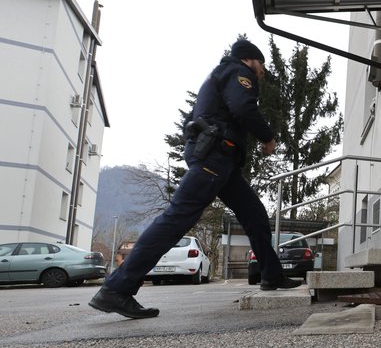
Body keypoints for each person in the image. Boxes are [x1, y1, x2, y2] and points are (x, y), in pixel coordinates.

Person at [89, 39, 301, 319]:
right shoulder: (237, 72)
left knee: (255, 214)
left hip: (220, 161)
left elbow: (195, 121)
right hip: (216, 158)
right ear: (251, 60)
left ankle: (271, 275)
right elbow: (243, 108)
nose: (261, 72)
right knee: (177, 219)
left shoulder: (216, 79)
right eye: (261, 65)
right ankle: (117, 289)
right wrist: (268, 137)